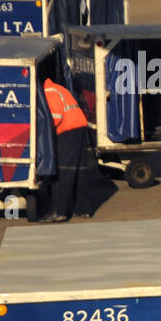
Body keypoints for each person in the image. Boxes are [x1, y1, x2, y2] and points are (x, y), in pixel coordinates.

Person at [39, 78, 102, 221]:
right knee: (78, 170)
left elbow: (55, 117)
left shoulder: (49, 92)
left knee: (63, 171)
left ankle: (58, 211)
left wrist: (42, 136)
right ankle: (82, 209)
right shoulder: (58, 88)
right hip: (78, 128)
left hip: (67, 131)